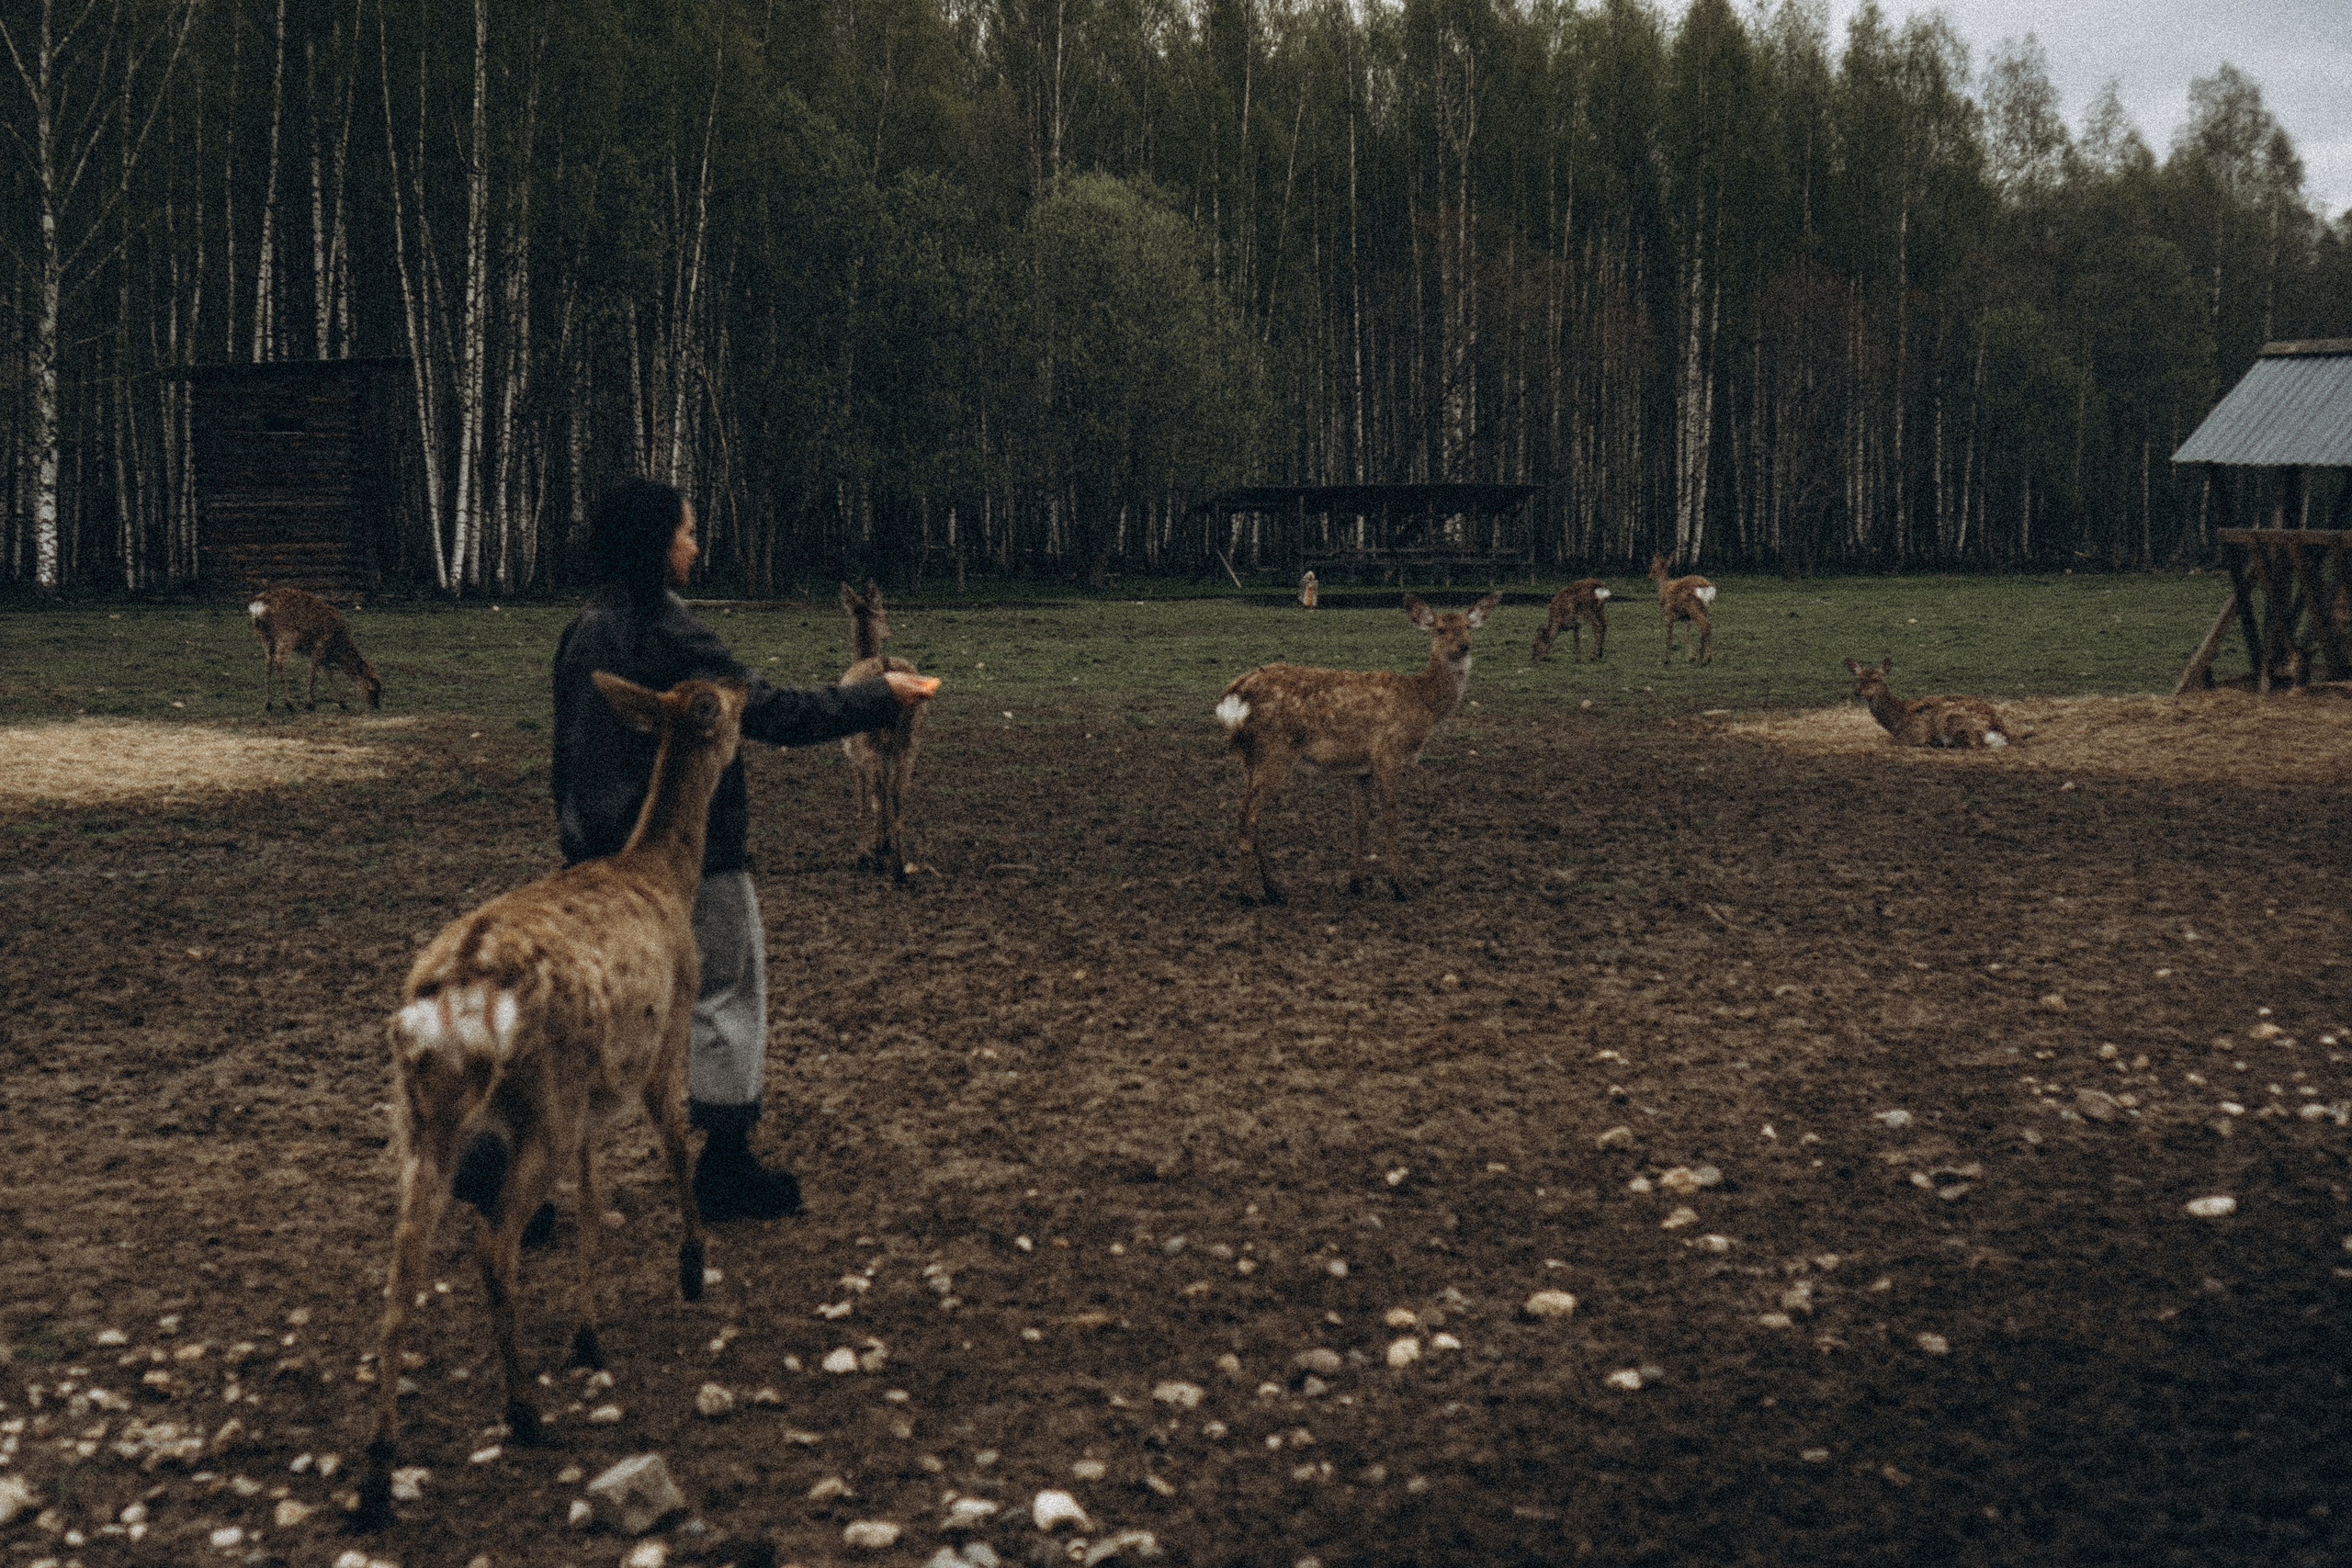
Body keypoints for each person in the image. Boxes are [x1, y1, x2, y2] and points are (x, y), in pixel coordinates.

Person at [456, 477, 937, 1229]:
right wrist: (881, 696)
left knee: (585, 1011)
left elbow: (567, 753)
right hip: (688, 856)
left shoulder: (582, 629)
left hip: (594, 864)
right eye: (686, 532)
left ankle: (500, 1156)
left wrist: (581, 847)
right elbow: (768, 709)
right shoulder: (672, 632)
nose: (695, 544)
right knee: (729, 986)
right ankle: (726, 1161)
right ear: (655, 543)